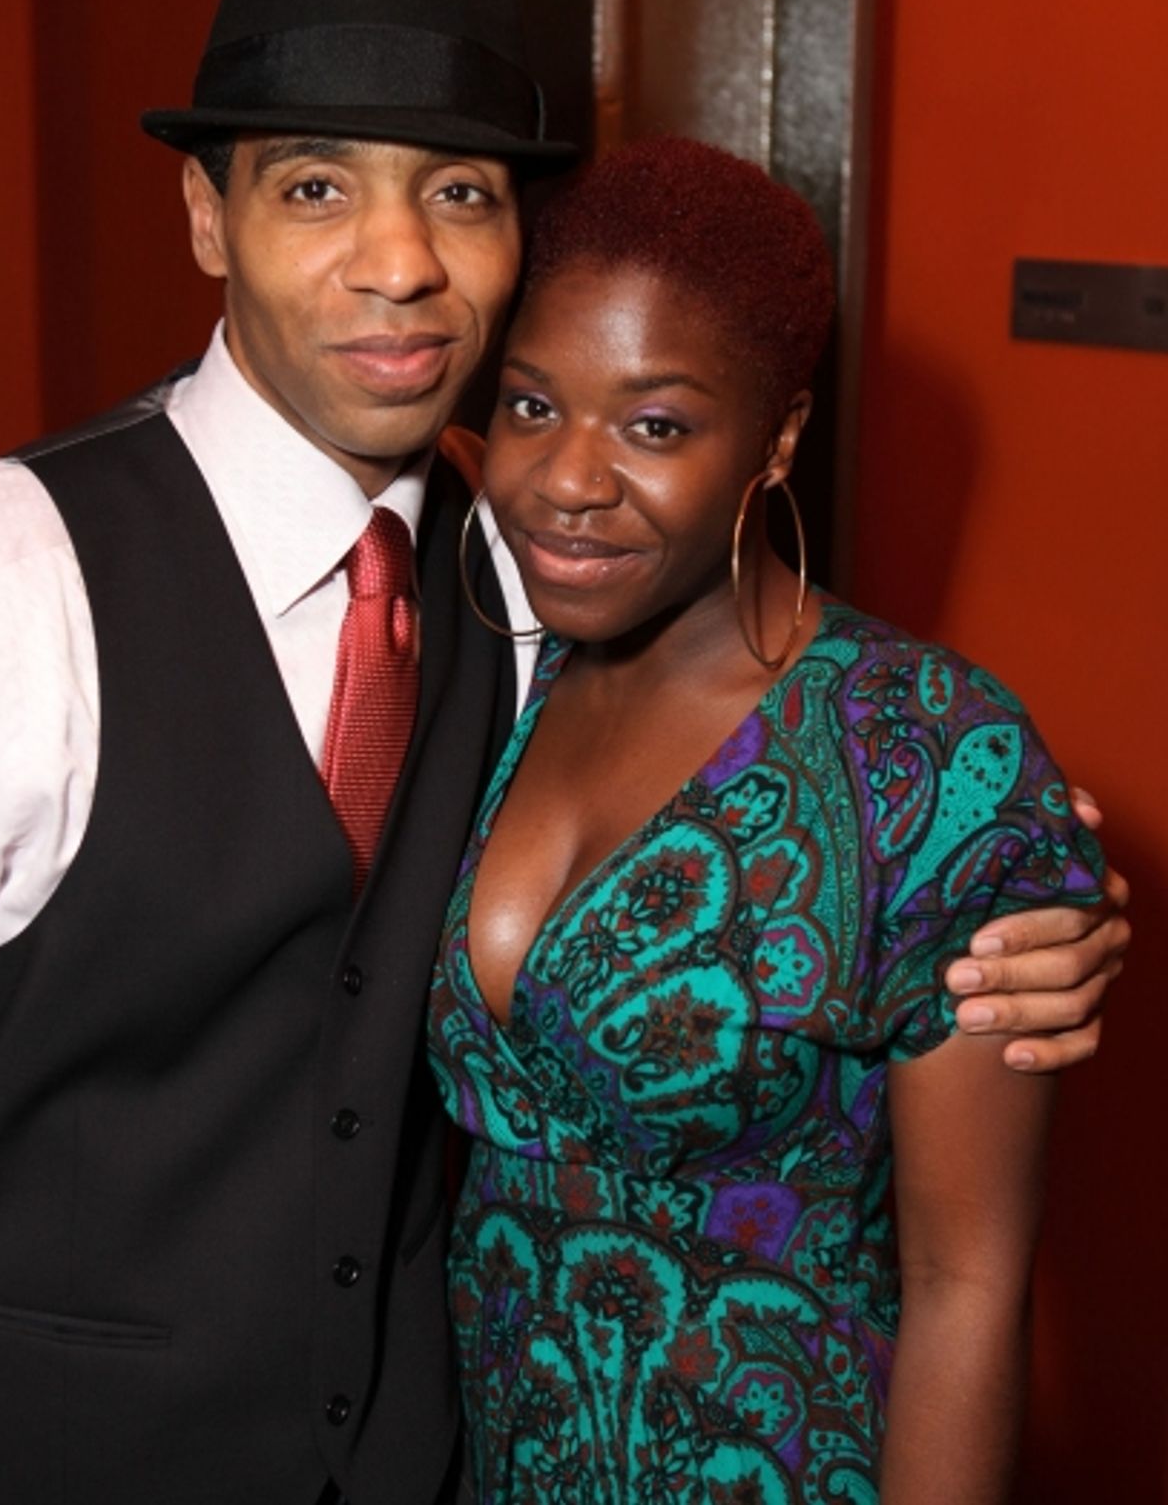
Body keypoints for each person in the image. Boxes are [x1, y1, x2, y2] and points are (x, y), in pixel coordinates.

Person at [0, 0, 1126, 1505]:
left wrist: (1038, 894)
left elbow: (847, 796)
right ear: (207, 215)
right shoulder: (2, 581)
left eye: (459, 192)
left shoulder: (515, 574)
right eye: (316, 187)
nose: (399, 261)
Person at [427, 136, 1108, 1503]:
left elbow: (968, 1282)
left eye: (656, 424)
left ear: (777, 436)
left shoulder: (926, 753)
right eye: (531, 405)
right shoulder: (497, 666)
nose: (568, 478)